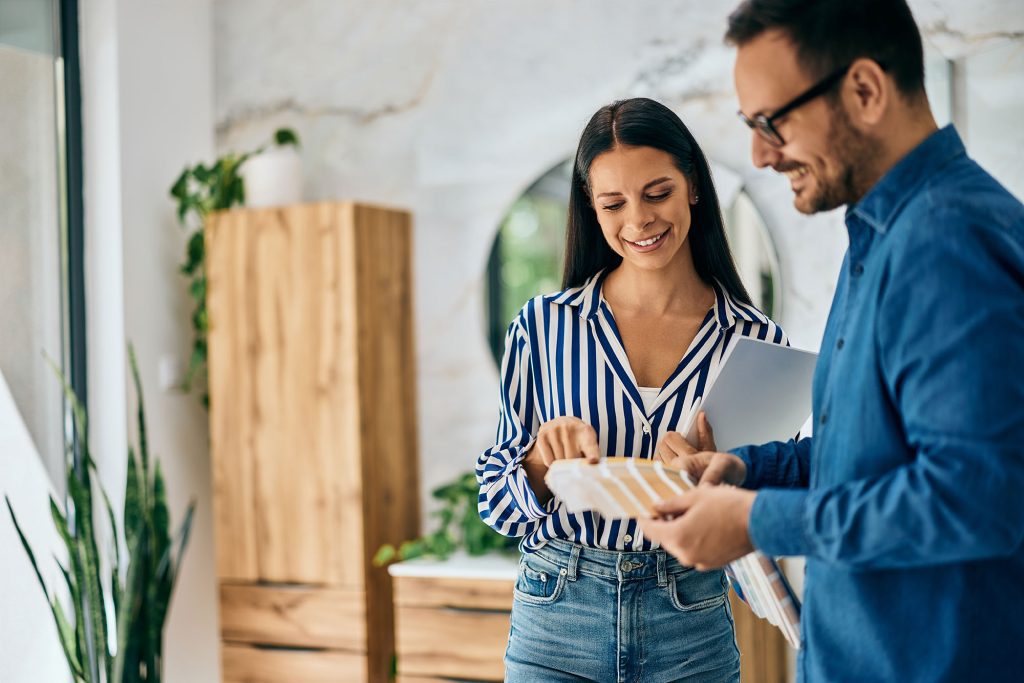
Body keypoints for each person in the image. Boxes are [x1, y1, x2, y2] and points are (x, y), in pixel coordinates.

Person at [639, 1, 1024, 681]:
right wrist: (749, 470)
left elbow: (973, 497)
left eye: (772, 122)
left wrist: (759, 520)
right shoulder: (882, 234)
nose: (760, 153)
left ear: (866, 90)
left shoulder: (945, 241)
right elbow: (876, 452)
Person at [475, 96, 787, 682]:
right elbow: (494, 499)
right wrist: (540, 462)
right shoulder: (543, 326)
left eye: (657, 192)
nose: (638, 221)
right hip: (556, 618)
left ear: (692, 184)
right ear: (592, 210)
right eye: (613, 203)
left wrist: (718, 479)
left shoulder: (755, 342)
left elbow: (763, 521)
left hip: (691, 622)